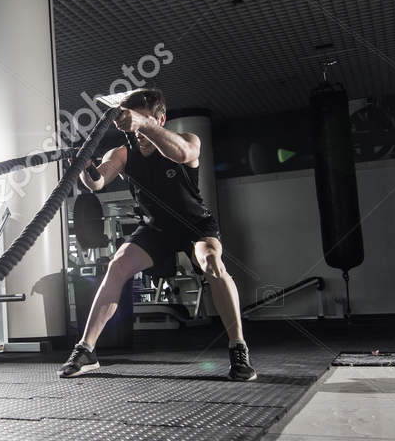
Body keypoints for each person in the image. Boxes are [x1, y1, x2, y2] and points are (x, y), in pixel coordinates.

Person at [60, 88, 255, 381]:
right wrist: (85, 166)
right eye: (134, 120)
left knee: (212, 263)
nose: (137, 128)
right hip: (155, 228)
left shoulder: (187, 141)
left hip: (194, 226)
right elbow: (97, 184)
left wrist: (141, 122)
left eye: (146, 119)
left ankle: (238, 348)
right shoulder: (122, 153)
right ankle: (86, 349)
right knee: (117, 266)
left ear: (160, 119)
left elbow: (183, 154)